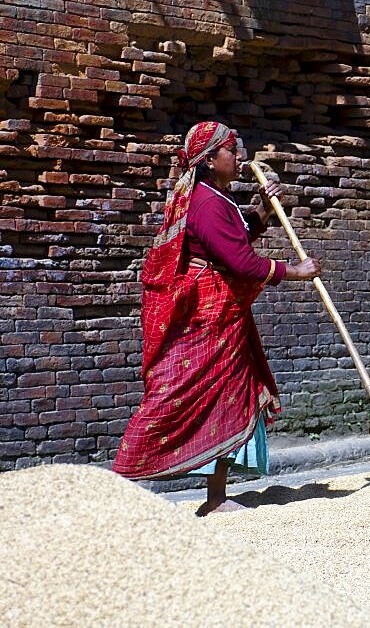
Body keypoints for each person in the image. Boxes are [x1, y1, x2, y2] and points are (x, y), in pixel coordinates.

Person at [112, 121, 322, 515]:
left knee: (225, 400)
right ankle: (119, 484)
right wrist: (295, 271)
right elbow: (239, 261)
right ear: (210, 160)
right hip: (206, 322)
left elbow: (236, 240)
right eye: (232, 151)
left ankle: (216, 498)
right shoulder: (206, 203)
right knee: (172, 398)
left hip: (224, 322)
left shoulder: (216, 196)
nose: (240, 157)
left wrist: (262, 209)